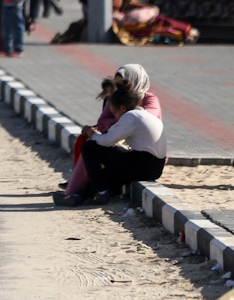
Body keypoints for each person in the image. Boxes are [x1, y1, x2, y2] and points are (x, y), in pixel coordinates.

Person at [56, 64, 161, 205]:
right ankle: (78, 197)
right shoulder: (132, 109)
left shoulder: (132, 115)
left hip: (143, 161)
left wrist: (93, 134)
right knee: (109, 175)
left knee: (90, 147)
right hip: (144, 161)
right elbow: (103, 121)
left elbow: (106, 140)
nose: (120, 88)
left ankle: (90, 191)